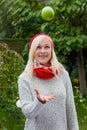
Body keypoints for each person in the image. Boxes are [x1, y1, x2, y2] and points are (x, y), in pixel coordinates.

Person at [18, 33, 79, 130]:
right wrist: (39, 102)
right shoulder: (25, 78)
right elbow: (28, 113)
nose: (43, 51)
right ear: (33, 51)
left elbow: (70, 108)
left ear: (51, 50)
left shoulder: (63, 75)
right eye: (38, 47)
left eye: (46, 47)